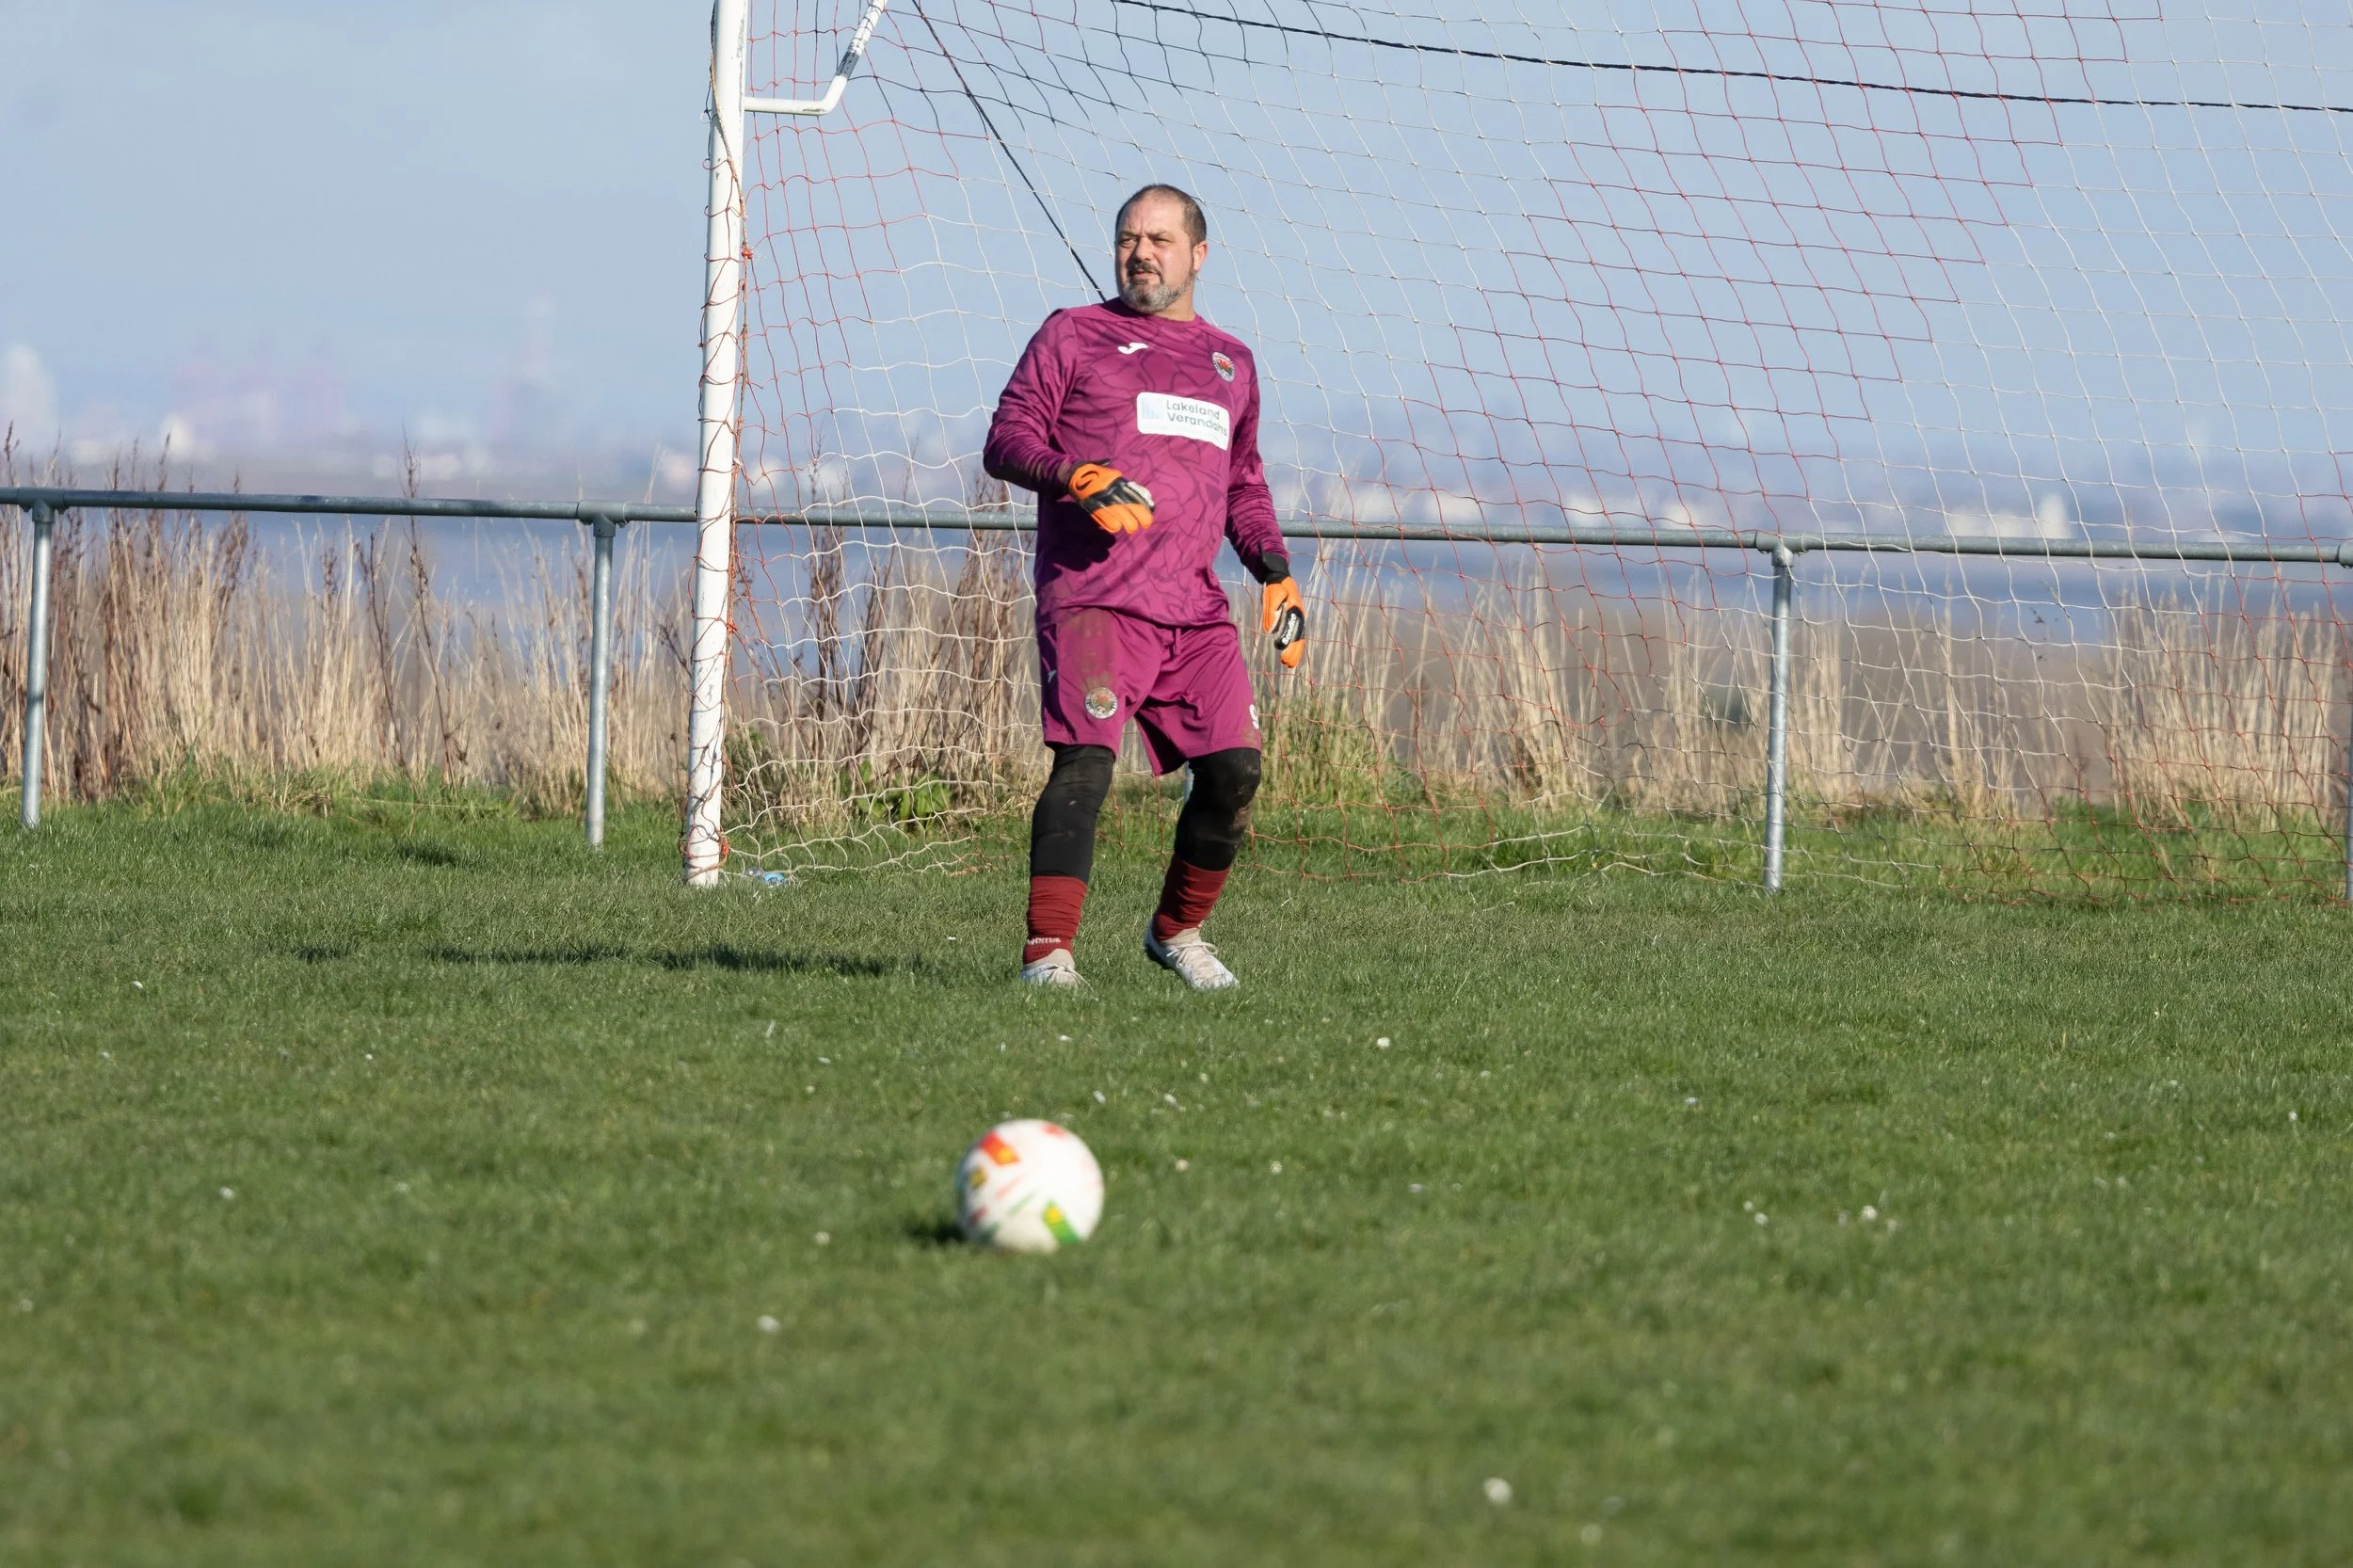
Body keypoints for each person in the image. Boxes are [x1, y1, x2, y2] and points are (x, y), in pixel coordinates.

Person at [983, 183, 1305, 991]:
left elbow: (1243, 483)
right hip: (1093, 597)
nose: (1141, 253)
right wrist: (1074, 474)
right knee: (1085, 766)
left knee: (1235, 771)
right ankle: (1047, 957)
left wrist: (1274, 569)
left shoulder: (1232, 362)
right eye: (1129, 238)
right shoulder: (1074, 334)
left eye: (1160, 240)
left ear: (1198, 255)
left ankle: (1178, 933)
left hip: (1192, 610)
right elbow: (1008, 438)